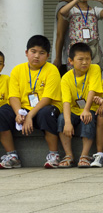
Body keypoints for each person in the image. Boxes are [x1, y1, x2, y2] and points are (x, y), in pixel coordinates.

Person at [0, 36, 61, 169]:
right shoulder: (17, 70)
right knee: (2, 113)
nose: (37, 56)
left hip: (45, 107)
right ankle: (12, 156)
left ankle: (54, 155)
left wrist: (30, 116)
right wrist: (18, 113)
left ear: (48, 56)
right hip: (24, 108)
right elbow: (13, 96)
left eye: (42, 53)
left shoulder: (52, 70)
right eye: (33, 51)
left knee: (46, 113)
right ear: (26, 53)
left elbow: (47, 99)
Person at [57, 43, 102, 168]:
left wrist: (86, 110)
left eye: (88, 59)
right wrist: (67, 122)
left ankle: (84, 155)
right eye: (80, 59)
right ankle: (69, 155)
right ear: (71, 61)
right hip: (74, 109)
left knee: (88, 118)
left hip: (91, 107)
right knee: (61, 119)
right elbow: (66, 102)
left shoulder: (95, 69)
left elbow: (92, 90)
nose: (85, 62)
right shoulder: (66, 78)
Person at [53, 0, 78, 73]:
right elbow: (60, 34)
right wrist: (58, 58)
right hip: (64, 59)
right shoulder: (64, 7)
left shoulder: (66, 6)